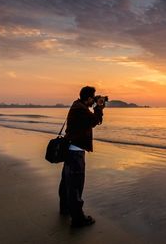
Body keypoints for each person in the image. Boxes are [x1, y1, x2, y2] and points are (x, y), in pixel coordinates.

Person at [59, 86, 105, 227]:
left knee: (67, 182)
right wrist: (99, 107)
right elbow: (94, 120)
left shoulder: (77, 105)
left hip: (72, 150)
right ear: (89, 98)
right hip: (75, 152)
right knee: (75, 185)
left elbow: (91, 121)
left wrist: (97, 107)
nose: (94, 100)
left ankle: (65, 208)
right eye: (93, 98)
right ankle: (78, 219)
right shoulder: (80, 109)